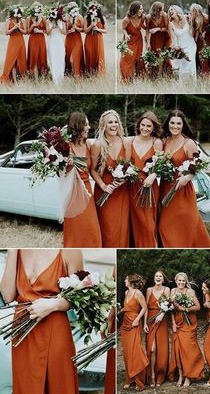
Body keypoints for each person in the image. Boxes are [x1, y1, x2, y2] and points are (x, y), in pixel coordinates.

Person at [0, 248, 83, 393]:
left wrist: (53, 304)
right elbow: (7, 296)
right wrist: (12, 251)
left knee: (58, 385)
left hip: (54, 327)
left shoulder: (70, 251)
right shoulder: (17, 251)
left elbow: (80, 297)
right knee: (26, 386)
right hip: (22, 333)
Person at [159, 109, 210, 248]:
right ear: (168, 123)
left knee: (186, 224)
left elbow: (197, 166)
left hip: (183, 190)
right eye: (172, 123)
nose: (175, 126)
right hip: (166, 188)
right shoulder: (165, 141)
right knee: (165, 226)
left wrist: (186, 178)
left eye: (178, 123)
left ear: (183, 125)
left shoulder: (188, 143)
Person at [91, 110, 129, 247]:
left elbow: (129, 167)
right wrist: (103, 186)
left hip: (122, 191)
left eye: (116, 122)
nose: (114, 125)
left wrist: (124, 178)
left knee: (122, 228)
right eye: (110, 122)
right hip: (105, 191)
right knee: (108, 229)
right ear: (103, 126)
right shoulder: (97, 145)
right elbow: (92, 169)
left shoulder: (125, 142)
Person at [63, 111, 102, 247]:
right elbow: (61, 175)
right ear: (78, 126)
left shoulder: (88, 145)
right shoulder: (66, 146)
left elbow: (93, 169)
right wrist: (68, 166)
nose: (89, 127)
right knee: (76, 231)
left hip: (88, 193)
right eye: (86, 124)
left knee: (92, 231)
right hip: (73, 194)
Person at [127, 111, 163, 247]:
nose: (145, 128)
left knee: (148, 223)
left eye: (149, 126)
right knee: (136, 221)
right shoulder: (130, 141)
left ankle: (150, 245)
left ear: (154, 128)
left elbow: (160, 164)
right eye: (143, 125)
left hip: (149, 187)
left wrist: (153, 176)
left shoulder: (157, 142)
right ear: (139, 125)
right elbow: (125, 163)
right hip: (132, 186)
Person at [168, 272, 205, 387]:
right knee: (178, 350)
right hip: (178, 323)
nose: (181, 282)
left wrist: (185, 308)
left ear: (186, 281)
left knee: (189, 350)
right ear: (176, 281)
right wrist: (173, 323)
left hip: (189, 323)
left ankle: (189, 376)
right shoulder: (173, 291)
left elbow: (198, 307)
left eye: (183, 280)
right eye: (179, 280)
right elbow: (172, 309)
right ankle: (180, 375)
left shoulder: (190, 291)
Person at [121, 274, 149, 391]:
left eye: (126, 279)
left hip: (134, 323)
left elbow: (144, 307)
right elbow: (127, 308)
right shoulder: (126, 293)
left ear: (131, 281)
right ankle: (130, 379)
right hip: (125, 324)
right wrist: (118, 310)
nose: (124, 281)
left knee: (135, 352)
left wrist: (137, 320)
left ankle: (139, 380)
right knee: (127, 352)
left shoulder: (137, 293)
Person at [144, 270, 170, 387]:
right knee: (152, 349)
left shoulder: (167, 290)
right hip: (150, 319)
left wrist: (162, 314)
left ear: (163, 279)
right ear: (154, 278)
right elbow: (145, 307)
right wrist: (144, 323)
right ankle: (152, 375)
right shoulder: (149, 290)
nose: (158, 278)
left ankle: (160, 375)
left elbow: (169, 304)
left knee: (162, 348)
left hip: (161, 320)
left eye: (160, 276)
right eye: (156, 276)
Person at [168, 5, 197, 80]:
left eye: (172, 9)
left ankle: (193, 82)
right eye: (169, 10)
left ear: (177, 10)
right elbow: (173, 38)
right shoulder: (170, 24)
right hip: (181, 47)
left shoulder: (186, 18)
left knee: (191, 62)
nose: (170, 11)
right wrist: (177, 47)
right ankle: (183, 85)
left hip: (191, 45)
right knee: (183, 65)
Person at [120, 1, 145, 81]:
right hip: (129, 40)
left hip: (138, 40)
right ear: (135, 10)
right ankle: (126, 77)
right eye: (140, 9)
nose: (142, 10)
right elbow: (123, 28)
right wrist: (126, 34)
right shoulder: (126, 19)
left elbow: (144, 26)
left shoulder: (142, 17)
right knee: (127, 58)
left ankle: (136, 76)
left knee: (137, 58)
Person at [0, 5, 27, 84]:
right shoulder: (8, 21)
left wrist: (19, 28)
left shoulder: (23, 21)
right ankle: (12, 80)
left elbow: (25, 32)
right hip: (12, 42)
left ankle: (22, 79)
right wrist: (14, 28)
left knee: (21, 60)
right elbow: (6, 33)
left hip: (21, 42)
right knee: (11, 60)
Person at [146, 1, 172, 75]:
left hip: (165, 37)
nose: (162, 11)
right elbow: (147, 30)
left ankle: (167, 74)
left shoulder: (164, 15)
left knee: (166, 55)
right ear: (155, 10)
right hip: (155, 38)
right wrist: (148, 43)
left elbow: (167, 28)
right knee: (156, 55)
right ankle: (155, 75)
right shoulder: (148, 17)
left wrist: (158, 29)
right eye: (161, 10)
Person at [189, 3, 210, 75]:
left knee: (204, 56)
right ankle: (200, 73)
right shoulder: (193, 19)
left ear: (196, 11)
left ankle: (206, 73)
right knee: (198, 56)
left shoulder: (205, 18)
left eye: (192, 11)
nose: (190, 12)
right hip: (198, 40)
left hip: (206, 39)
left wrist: (205, 32)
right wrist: (190, 21)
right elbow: (193, 32)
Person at [84, 2, 106, 75]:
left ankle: (99, 74)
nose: (94, 10)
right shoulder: (86, 18)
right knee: (90, 55)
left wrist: (98, 29)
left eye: (95, 8)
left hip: (99, 39)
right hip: (89, 39)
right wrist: (91, 26)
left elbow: (106, 30)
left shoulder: (102, 18)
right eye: (92, 9)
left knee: (99, 55)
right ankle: (90, 73)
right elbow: (85, 31)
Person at [27, 2, 47, 78]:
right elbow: (27, 32)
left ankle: (43, 77)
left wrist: (40, 31)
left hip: (41, 40)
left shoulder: (43, 18)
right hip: (33, 40)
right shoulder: (29, 18)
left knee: (42, 58)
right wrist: (32, 26)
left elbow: (46, 31)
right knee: (33, 57)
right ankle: (35, 78)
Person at [46, 4, 66, 84]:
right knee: (53, 58)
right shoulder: (48, 21)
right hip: (52, 42)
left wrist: (59, 27)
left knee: (61, 58)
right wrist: (52, 27)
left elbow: (64, 32)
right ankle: (55, 78)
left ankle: (60, 77)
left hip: (60, 42)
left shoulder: (62, 21)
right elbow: (47, 33)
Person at [65, 2, 84, 77]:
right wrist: (69, 31)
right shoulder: (66, 17)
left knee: (73, 59)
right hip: (69, 40)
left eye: (74, 7)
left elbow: (83, 29)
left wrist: (76, 28)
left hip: (77, 40)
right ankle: (71, 75)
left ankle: (77, 74)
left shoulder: (80, 17)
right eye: (71, 7)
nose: (73, 9)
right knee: (68, 58)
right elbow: (64, 31)